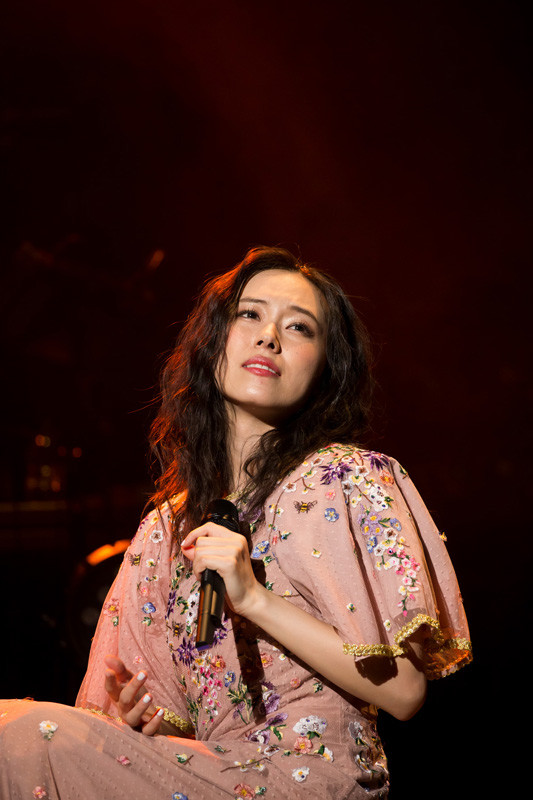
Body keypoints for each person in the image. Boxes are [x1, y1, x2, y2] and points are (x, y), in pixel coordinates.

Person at [0, 246, 471, 799]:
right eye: (250, 314)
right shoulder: (166, 533)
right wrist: (142, 725)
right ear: (213, 341)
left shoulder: (341, 479)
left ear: (326, 368)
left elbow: (405, 691)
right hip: (210, 774)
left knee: (21, 735)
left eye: (299, 327)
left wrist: (253, 598)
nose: (269, 336)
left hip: (309, 783)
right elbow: (173, 724)